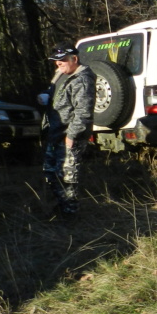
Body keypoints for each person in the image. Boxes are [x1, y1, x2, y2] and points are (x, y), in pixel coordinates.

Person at [41, 47, 95, 216]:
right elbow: (57, 97)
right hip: (54, 133)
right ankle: (60, 205)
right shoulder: (61, 75)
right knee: (50, 173)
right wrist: (45, 96)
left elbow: (83, 112)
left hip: (69, 136)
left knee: (68, 177)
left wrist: (72, 136)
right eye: (56, 60)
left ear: (74, 59)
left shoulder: (82, 80)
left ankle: (70, 213)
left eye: (63, 60)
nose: (59, 63)